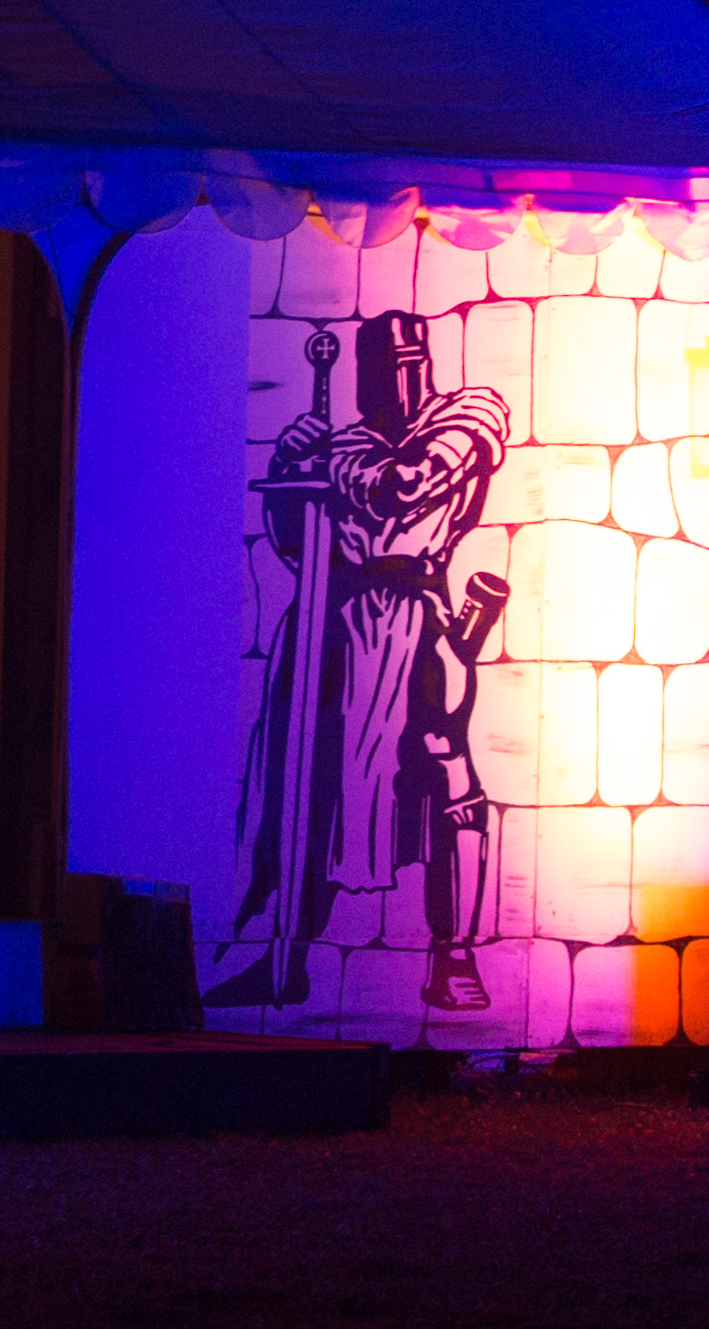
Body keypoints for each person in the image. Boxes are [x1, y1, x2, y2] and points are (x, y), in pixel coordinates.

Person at [214, 310, 511, 1013]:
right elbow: (295, 540)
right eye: (381, 368)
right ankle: (285, 955)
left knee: (445, 768)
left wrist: (330, 464)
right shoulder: (345, 439)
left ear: (425, 362)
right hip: (335, 622)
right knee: (301, 775)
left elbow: (405, 485)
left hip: (420, 620)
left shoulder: (469, 418)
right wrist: (291, 464)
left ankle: (454, 958)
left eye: (407, 364)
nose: (396, 381)